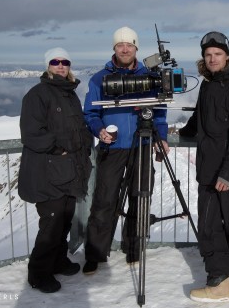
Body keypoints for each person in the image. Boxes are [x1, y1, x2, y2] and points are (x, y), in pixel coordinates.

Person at [82, 26, 170, 274]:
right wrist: (99, 130)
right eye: (120, 45)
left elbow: (159, 112)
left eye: (129, 45)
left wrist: (160, 137)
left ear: (136, 48)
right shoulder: (100, 79)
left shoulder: (150, 77)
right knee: (104, 201)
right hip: (113, 147)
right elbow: (90, 112)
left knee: (140, 198)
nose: (124, 48)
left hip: (141, 146)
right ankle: (95, 253)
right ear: (114, 48)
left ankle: (134, 247)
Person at [179, 31, 229, 302]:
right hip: (209, 170)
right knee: (210, 224)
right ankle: (225, 274)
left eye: (217, 54)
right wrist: (178, 134)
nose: (212, 59)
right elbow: (200, 120)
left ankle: (222, 283)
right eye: (208, 55)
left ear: (228, 56)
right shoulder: (209, 85)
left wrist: (228, 173)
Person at [18, 47, 93, 293]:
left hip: (69, 171)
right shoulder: (37, 94)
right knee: (50, 224)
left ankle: (58, 261)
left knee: (63, 221)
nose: (61, 66)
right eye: (55, 61)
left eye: (65, 62)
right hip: (49, 173)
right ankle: (38, 274)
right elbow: (31, 133)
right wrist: (58, 149)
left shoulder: (69, 94)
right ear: (47, 65)